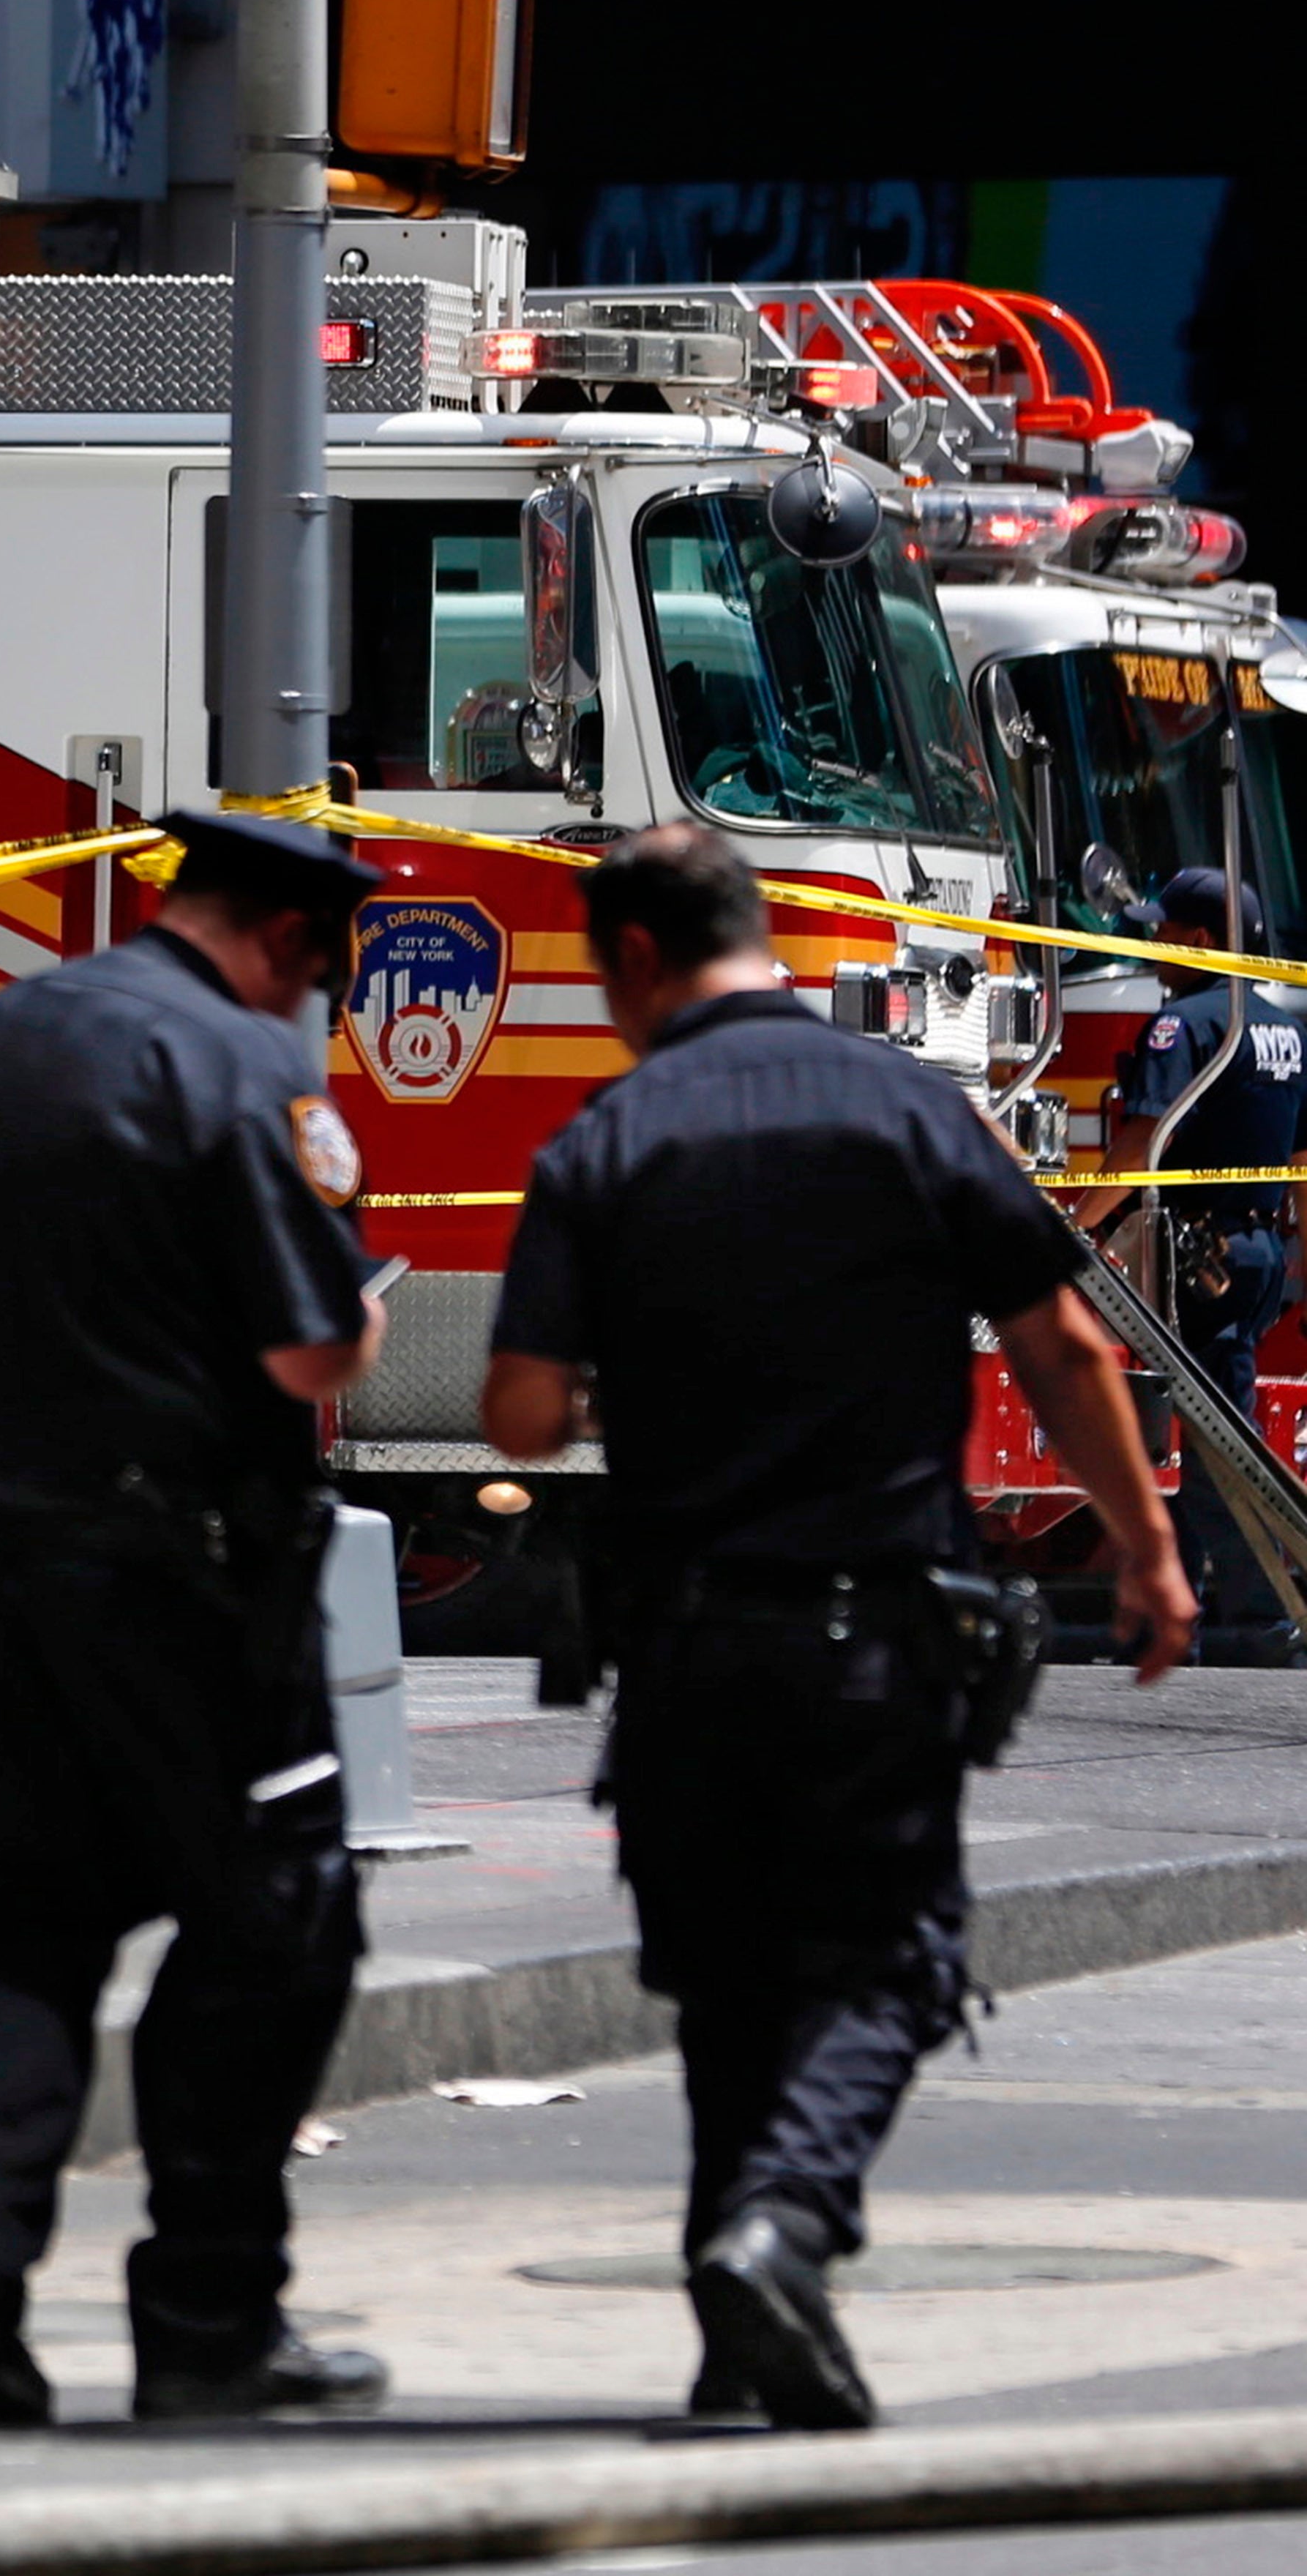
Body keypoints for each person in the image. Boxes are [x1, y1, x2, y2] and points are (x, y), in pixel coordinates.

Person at [482, 822, 1195, 2433]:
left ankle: (744, 2328)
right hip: (874, 1632)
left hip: (677, 1648)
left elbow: (518, 1414)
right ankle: (776, 2233)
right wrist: (1147, 1553)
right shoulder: (903, 1112)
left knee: (731, 1986)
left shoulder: (608, 1135)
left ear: (644, 963)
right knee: (885, 1966)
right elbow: (1067, 1349)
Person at [0, 806, 393, 2428]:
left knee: (33, 1930)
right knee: (273, 1925)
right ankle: (207, 2324)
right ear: (288, 940)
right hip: (175, 1587)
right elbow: (311, 1356)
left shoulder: (7, 1037)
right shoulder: (245, 1072)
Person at [1076, 868, 1307, 1668]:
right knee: (1209, 1430)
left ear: (1202, 941)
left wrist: (1078, 1228)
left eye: (1163, 929)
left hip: (1197, 1257)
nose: (1152, 943)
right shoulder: (1286, 1026)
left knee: (1212, 1444)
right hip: (1260, 1254)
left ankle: (1256, 1619)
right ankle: (1202, 1608)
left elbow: (1139, 1142)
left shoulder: (1184, 1026)